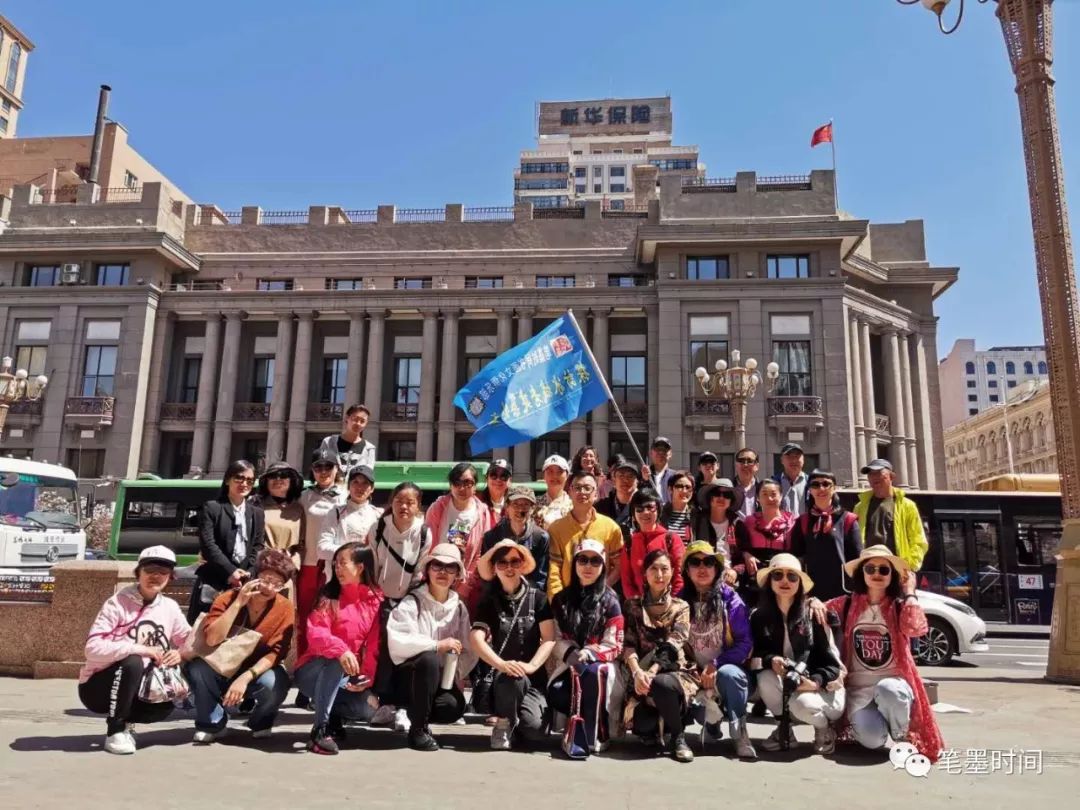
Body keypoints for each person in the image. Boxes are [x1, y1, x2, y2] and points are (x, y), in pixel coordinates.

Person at [825, 546, 944, 762]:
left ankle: (901, 736)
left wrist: (910, 592)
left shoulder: (898, 606)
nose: (877, 574)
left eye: (884, 569)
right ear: (862, 573)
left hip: (894, 686)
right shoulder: (847, 604)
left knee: (888, 689)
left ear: (892, 576)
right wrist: (813, 602)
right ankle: (879, 726)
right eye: (870, 569)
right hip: (859, 692)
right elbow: (817, 612)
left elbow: (916, 628)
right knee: (872, 741)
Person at [78, 546, 192, 755]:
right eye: (150, 570)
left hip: (147, 685)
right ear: (138, 573)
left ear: (171, 577)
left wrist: (180, 653)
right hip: (98, 686)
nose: (156, 576)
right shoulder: (117, 603)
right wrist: (141, 649)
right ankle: (115, 730)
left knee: (167, 703)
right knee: (133, 661)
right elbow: (92, 648)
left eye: (163, 572)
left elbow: (189, 640)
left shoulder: (170, 607)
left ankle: (127, 723)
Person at [187, 549, 295, 743]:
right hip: (221, 663)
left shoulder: (284, 607)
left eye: (278, 584)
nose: (269, 588)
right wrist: (238, 603)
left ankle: (261, 721)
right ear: (254, 575)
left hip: (256, 669)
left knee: (277, 682)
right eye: (266, 579)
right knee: (198, 668)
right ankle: (212, 723)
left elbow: (277, 652)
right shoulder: (227, 598)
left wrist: (245, 678)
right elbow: (212, 639)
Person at [749, 553, 845, 754]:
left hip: (823, 686)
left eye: (792, 576)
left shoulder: (814, 613)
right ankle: (784, 729)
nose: (785, 581)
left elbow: (833, 665)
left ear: (800, 582)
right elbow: (754, 658)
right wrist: (771, 660)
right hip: (789, 684)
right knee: (765, 677)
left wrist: (815, 682)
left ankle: (824, 729)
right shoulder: (759, 617)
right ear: (769, 581)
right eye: (778, 575)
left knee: (802, 704)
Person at [386, 543, 478, 752]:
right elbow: (398, 641)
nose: (443, 572)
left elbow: (468, 650)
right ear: (427, 570)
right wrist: (436, 646)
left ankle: (421, 717)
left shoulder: (459, 608)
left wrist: (453, 671)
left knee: (452, 706)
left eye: (450, 567)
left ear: (457, 574)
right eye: (437, 566)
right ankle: (418, 730)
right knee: (429, 659)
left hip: (441, 679)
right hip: (408, 679)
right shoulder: (412, 602)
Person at [294, 542, 383, 755]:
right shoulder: (328, 596)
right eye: (335, 564)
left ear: (360, 567)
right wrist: (341, 650)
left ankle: (334, 717)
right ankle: (320, 730)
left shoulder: (376, 600)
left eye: (343, 563)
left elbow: (374, 645)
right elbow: (316, 633)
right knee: (336, 660)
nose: (337, 568)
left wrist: (367, 677)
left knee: (368, 708)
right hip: (312, 670)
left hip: (346, 676)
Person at [470, 539, 556, 750]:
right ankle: (503, 722)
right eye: (502, 562)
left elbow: (549, 638)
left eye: (514, 562)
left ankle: (517, 722)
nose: (509, 568)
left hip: (533, 679)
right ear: (494, 568)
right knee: (511, 677)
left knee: (535, 731)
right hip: (502, 680)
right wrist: (501, 664)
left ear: (522, 565)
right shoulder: (488, 601)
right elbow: (476, 638)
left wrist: (532, 666)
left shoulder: (539, 598)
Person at [364, 481, 433, 728]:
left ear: (418, 506)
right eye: (399, 501)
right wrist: (376, 596)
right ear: (391, 502)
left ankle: (403, 706)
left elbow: (421, 570)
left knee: (405, 652)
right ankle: (385, 704)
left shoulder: (424, 532)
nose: (404, 506)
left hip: (409, 601)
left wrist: (409, 600)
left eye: (410, 502)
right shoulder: (378, 527)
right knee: (382, 652)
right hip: (379, 599)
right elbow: (371, 563)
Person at [678, 541, 756, 758]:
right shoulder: (679, 601)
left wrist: (716, 664)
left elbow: (745, 643)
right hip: (694, 673)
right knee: (674, 685)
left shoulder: (730, 599)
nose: (702, 568)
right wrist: (690, 668)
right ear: (687, 570)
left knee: (729, 674)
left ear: (717, 568)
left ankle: (740, 733)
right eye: (695, 562)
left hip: (727, 671)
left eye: (709, 562)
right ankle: (711, 725)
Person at [547, 539, 624, 755]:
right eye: (582, 560)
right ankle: (573, 729)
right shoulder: (561, 599)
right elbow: (554, 637)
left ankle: (596, 733)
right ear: (574, 564)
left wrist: (590, 652)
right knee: (558, 692)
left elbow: (615, 644)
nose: (588, 566)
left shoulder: (611, 601)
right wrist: (571, 653)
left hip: (601, 665)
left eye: (595, 561)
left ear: (603, 566)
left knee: (592, 673)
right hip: (568, 663)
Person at [620, 548, 697, 762]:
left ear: (673, 572)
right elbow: (628, 644)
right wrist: (637, 672)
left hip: (672, 671)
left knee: (662, 684)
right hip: (641, 675)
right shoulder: (632, 606)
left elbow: (674, 644)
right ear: (644, 573)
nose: (659, 575)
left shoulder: (681, 607)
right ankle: (655, 727)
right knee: (643, 725)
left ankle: (678, 737)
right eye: (653, 569)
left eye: (664, 569)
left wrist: (651, 672)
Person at [190, 459, 265, 621]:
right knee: (206, 627)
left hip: (244, 582)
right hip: (215, 579)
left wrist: (249, 572)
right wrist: (230, 571)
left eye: (249, 480)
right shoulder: (212, 507)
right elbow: (208, 544)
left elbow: (258, 546)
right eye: (239, 478)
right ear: (227, 480)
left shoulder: (257, 513)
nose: (244, 484)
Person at [296, 448, 346, 658]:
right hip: (309, 563)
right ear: (312, 470)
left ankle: (330, 658)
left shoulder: (347, 495)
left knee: (333, 613)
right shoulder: (303, 496)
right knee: (306, 613)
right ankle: (304, 659)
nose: (323, 471)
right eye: (318, 467)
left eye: (328, 467)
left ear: (336, 469)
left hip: (336, 564)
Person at [547, 470, 624, 599]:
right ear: (570, 492)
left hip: (600, 600)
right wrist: (558, 601)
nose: (582, 492)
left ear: (596, 494)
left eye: (587, 488)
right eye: (577, 488)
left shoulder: (611, 528)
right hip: (567, 600)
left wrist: (601, 589)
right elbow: (553, 570)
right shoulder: (556, 529)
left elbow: (619, 565)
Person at [425, 462, 491, 611]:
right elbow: (427, 547)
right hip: (435, 580)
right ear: (451, 485)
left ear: (475, 486)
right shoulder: (437, 508)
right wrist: (432, 579)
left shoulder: (482, 513)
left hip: (463, 584)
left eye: (468, 483)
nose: (462, 488)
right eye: (457, 483)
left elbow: (481, 554)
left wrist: (464, 587)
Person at [792, 469, 863, 601]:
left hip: (842, 591)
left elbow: (857, 559)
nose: (821, 488)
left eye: (826, 484)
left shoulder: (848, 519)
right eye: (815, 485)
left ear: (834, 488)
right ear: (810, 490)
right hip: (812, 592)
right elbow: (797, 557)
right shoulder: (802, 521)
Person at [853, 459, 929, 572]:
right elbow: (854, 540)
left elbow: (918, 541)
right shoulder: (860, 507)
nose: (873, 477)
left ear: (891, 477)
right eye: (870, 474)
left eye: (878, 473)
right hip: (869, 570)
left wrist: (909, 566)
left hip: (897, 570)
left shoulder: (907, 506)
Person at [478, 484, 550, 592]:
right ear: (507, 507)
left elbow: (540, 578)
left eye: (526, 505)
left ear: (532, 508)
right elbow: (487, 575)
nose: (520, 509)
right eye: (515, 504)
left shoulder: (541, 538)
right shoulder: (492, 537)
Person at [621, 487, 685, 600]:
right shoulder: (629, 544)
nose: (645, 512)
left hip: (670, 604)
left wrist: (671, 604)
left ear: (658, 510)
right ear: (633, 514)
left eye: (650, 507)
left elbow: (680, 577)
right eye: (639, 509)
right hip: (639, 606)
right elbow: (627, 581)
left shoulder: (671, 539)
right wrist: (637, 605)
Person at [739, 480, 796, 605]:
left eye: (773, 494)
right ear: (757, 498)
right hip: (755, 577)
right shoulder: (749, 522)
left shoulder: (792, 522)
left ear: (781, 496)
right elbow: (740, 547)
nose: (769, 498)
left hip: (782, 576)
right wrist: (746, 554)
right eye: (764, 494)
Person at [318, 465, 383, 570]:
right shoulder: (335, 513)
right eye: (355, 482)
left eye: (365, 483)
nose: (360, 487)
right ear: (348, 486)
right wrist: (352, 554)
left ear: (372, 488)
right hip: (340, 575)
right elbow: (322, 549)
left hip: (367, 575)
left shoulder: (379, 515)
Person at [256, 461, 306, 593]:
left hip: (286, 571)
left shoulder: (298, 508)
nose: (278, 479)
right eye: (272, 476)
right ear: (266, 481)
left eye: (283, 475)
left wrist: (294, 564)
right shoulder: (255, 504)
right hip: (261, 568)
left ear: (291, 480)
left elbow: (301, 545)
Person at [695, 479, 749, 571]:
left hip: (731, 576)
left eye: (727, 495)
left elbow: (743, 556)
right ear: (710, 497)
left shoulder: (738, 525)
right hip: (704, 573)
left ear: (731, 500)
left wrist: (735, 572)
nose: (721, 497)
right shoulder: (697, 523)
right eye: (717, 493)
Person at [319, 403, 376, 474]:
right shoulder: (328, 442)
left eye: (362, 421)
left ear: (366, 424)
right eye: (355, 419)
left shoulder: (369, 449)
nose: (358, 424)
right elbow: (320, 467)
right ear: (347, 418)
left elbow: (368, 473)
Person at [596, 457, 639, 532]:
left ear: (637, 482)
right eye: (621, 476)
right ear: (614, 480)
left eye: (630, 476)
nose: (625, 480)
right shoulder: (601, 507)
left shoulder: (643, 506)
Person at [533, 454, 573, 529]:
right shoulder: (533, 504)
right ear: (544, 476)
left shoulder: (573, 505)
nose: (554, 476)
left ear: (567, 476)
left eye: (560, 472)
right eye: (550, 471)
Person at [774, 443, 808, 517]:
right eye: (789, 456)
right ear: (782, 460)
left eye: (797, 456)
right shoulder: (774, 483)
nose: (794, 460)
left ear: (803, 460)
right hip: (781, 524)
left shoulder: (811, 483)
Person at [659, 471, 696, 538]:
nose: (684, 491)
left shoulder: (696, 515)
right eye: (679, 486)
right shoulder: (660, 513)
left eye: (688, 487)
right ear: (670, 489)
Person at [478, 458, 513, 525]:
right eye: (493, 475)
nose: (498, 480)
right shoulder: (476, 503)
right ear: (486, 478)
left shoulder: (514, 505)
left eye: (503, 476)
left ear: (510, 481)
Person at [732, 447, 762, 518]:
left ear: (757, 466)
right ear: (736, 465)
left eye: (749, 461)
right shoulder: (728, 489)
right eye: (741, 461)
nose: (745, 465)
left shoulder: (763, 489)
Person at [647, 437, 677, 504]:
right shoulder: (642, 476)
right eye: (657, 449)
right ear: (651, 453)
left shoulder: (676, 477)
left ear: (670, 454)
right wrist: (644, 480)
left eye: (664, 450)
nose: (661, 452)